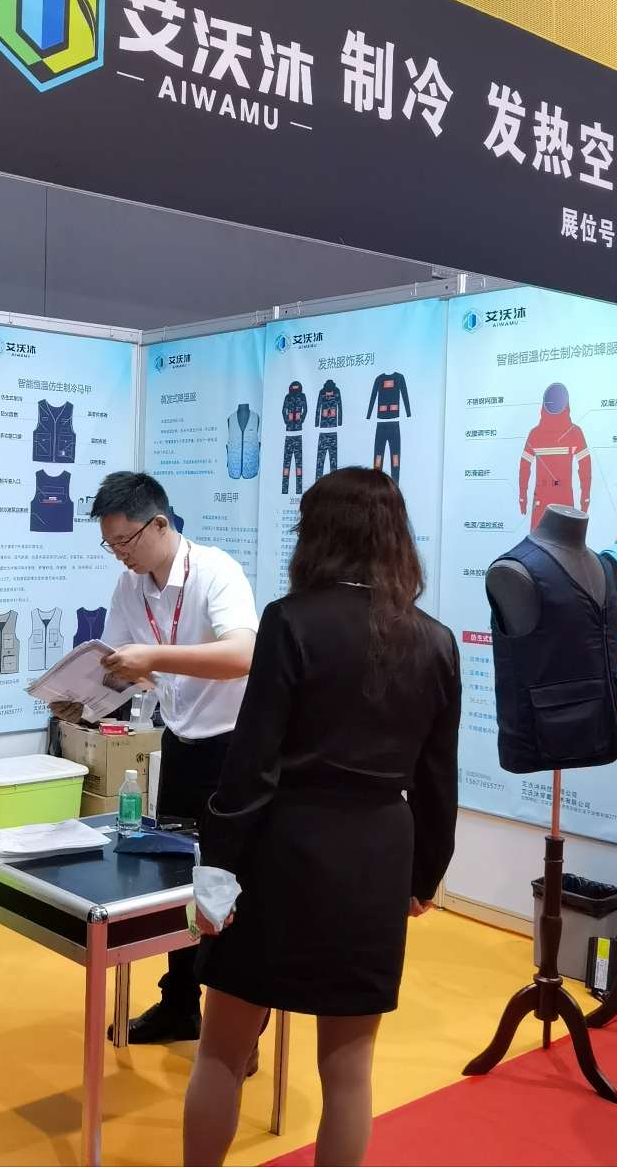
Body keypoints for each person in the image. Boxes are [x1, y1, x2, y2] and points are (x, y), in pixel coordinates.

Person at [183, 467, 460, 1167]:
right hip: (378, 856)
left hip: (285, 850)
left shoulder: (291, 620)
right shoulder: (436, 640)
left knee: (222, 1051)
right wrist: (425, 876)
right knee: (349, 1071)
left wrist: (217, 869)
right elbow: (438, 779)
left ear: (317, 535)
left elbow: (252, 764)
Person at [58, 471, 257, 1045]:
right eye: (111, 545)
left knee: (231, 884)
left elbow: (243, 654)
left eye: (125, 541)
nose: (120, 554)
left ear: (160, 524)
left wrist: (154, 657)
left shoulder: (215, 571)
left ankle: (240, 1020)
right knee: (179, 878)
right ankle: (180, 1005)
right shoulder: (131, 587)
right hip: (181, 743)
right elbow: (122, 668)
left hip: (234, 749)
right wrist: (84, 702)